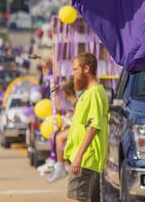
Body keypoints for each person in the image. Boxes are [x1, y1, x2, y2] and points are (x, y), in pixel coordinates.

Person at [64, 52, 108, 202]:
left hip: (86, 158)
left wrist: (78, 157)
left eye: (75, 69)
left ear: (86, 69)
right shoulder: (87, 93)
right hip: (81, 157)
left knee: (76, 199)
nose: (73, 73)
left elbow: (93, 127)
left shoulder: (95, 93)